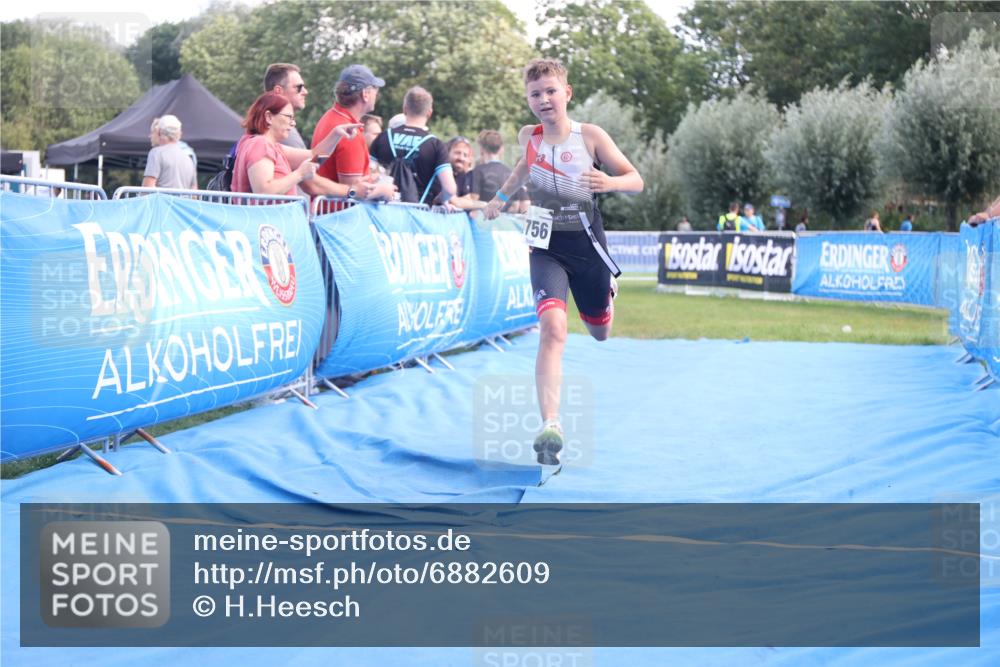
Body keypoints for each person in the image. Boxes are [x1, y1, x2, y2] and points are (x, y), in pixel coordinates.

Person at [483, 58, 643, 468]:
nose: (544, 99)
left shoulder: (590, 136)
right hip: (545, 245)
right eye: (535, 94)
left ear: (567, 93)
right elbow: (525, 165)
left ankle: (606, 294)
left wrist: (610, 182)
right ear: (528, 100)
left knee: (599, 332)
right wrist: (501, 198)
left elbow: (636, 179)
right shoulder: (528, 136)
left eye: (551, 91)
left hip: (588, 247)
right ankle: (550, 423)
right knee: (553, 328)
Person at [230, 92, 359, 196]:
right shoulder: (261, 144)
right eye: (289, 117)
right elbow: (264, 191)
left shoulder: (268, 146)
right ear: (268, 117)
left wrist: (336, 134)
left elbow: (315, 156)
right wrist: (299, 174)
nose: (293, 123)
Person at [370, 86, 476, 208]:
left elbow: (367, 174)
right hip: (417, 215)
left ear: (404, 109)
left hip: (381, 213)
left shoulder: (383, 137)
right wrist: (440, 199)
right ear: (429, 113)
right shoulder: (435, 145)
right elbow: (450, 189)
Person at [311, 64, 395, 201]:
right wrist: (383, 190)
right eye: (375, 90)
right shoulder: (349, 132)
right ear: (365, 94)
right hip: (340, 218)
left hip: (326, 215)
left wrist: (370, 179)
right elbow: (353, 191)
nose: (377, 94)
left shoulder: (330, 117)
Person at [468, 130, 529, 214]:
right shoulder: (513, 173)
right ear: (501, 149)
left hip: (483, 223)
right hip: (506, 224)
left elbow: (472, 203)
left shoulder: (477, 172)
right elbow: (523, 203)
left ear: (481, 149)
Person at [143, 114, 197, 190]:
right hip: (182, 202)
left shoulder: (156, 153)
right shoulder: (188, 158)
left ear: (159, 132)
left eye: (152, 132)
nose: (150, 136)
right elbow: (194, 193)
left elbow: (147, 189)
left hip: (161, 202)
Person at [263, 63, 309, 149]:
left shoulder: (265, 122)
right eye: (299, 87)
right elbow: (306, 160)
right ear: (278, 91)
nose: (305, 92)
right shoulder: (277, 127)